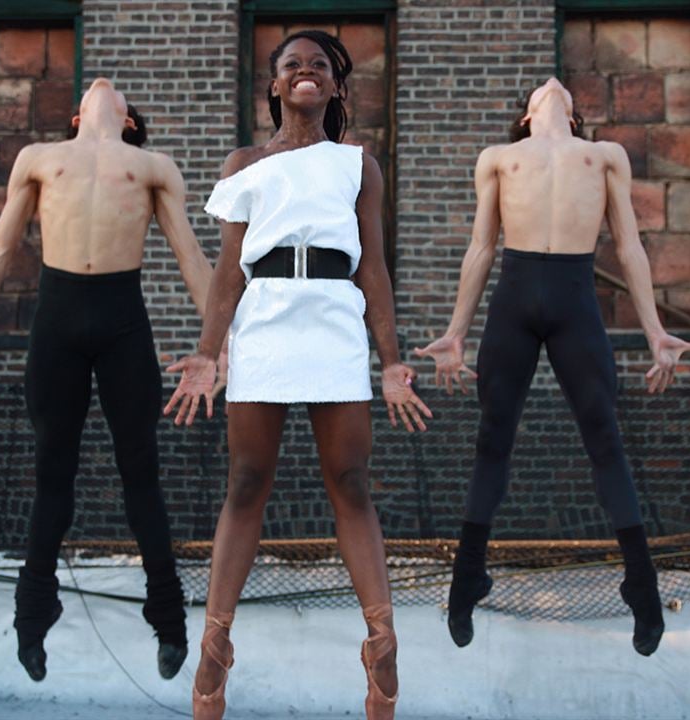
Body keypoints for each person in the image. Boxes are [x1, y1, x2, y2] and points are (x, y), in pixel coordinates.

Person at [164, 30, 431, 720]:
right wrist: (207, 350)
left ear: (335, 89)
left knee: (350, 481)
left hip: (335, 316)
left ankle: (381, 638)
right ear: (276, 87)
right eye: (292, 66)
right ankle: (216, 642)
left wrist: (392, 360)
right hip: (266, 318)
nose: (306, 72)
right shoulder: (244, 163)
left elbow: (373, 268)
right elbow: (228, 273)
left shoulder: (356, 165)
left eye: (319, 66)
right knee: (247, 481)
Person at [0, 78, 213, 682]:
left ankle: (169, 620)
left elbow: (189, 254)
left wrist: (217, 347)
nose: (104, 85)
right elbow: (0, 247)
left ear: (128, 120)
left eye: (119, 93)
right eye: (91, 90)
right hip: (57, 323)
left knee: (141, 475)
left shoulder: (152, 164)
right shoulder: (39, 159)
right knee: (53, 473)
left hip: (123, 322)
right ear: (76, 118)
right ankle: (34, 615)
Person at [416, 77, 690, 657]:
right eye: (542, 89)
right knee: (493, 437)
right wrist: (455, 333)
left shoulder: (603, 156)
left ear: (573, 113)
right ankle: (467, 579)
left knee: (605, 437)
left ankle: (641, 587)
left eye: (564, 88)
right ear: (527, 114)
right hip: (514, 298)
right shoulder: (498, 158)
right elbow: (481, 247)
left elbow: (630, 246)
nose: (552, 82)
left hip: (574, 299)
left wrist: (655, 333)